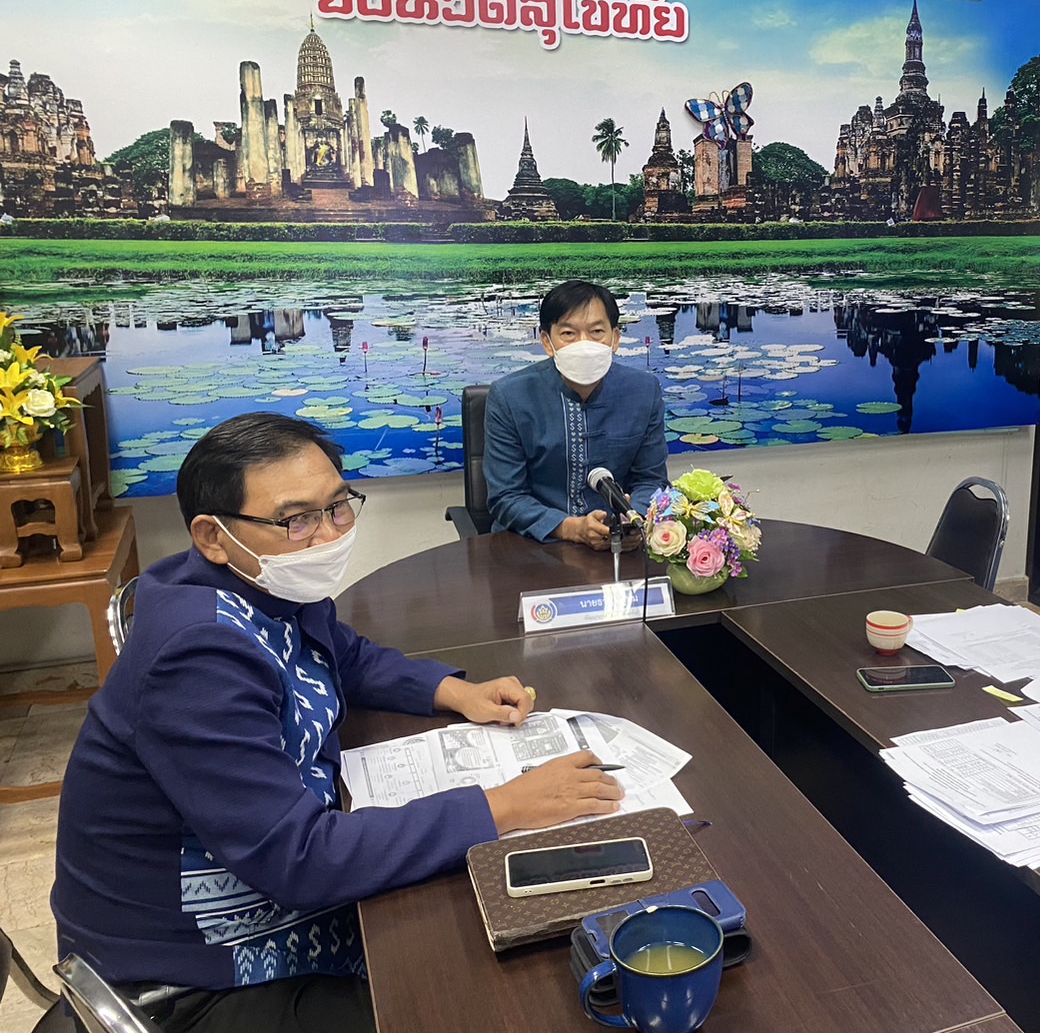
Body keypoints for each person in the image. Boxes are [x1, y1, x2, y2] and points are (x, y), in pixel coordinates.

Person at [52, 413, 624, 1032]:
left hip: (266, 891)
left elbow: (342, 655)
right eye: (296, 519)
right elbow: (300, 859)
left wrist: (454, 691)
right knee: (487, 992)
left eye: (337, 507)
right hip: (191, 975)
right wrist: (504, 806)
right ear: (213, 537)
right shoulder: (195, 659)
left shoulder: (263, 586)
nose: (326, 535)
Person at [483, 280, 667, 550]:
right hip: (534, 545)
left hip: (620, 543)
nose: (584, 344)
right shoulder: (509, 397)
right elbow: (506, 496)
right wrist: (571, 528)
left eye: (596, 332)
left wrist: (632, 520)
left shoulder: (644, 391)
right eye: (568, 333)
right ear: (547, 342)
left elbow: (651, 480)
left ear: (615, 338)